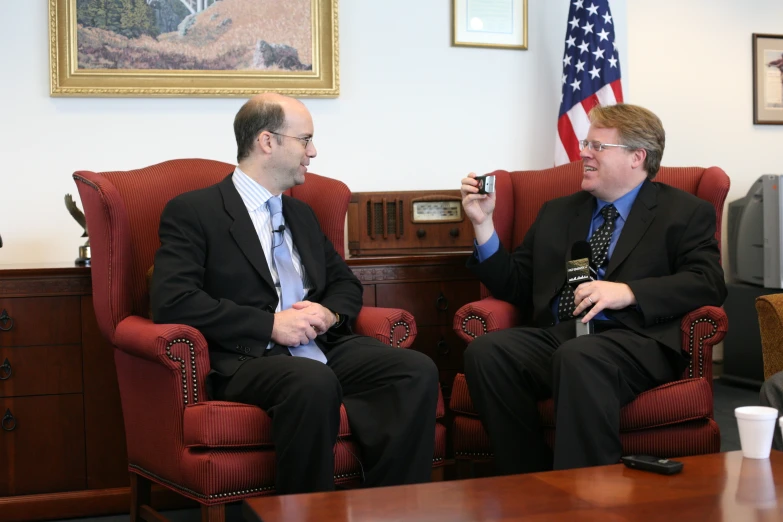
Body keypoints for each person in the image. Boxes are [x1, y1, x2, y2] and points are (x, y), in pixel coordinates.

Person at [150, 93, 439, 494]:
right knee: (310, 381)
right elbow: (172, 300)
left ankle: (391, 510)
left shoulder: (300, 213)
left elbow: (345, 284)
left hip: (322, 345)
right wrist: (270, 325)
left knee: (414, 370)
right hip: (249, 357)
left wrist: (328, 314)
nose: (313, 151)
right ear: (267, 142)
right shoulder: (194, 211)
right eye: (305, 140)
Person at [460, 103, 727, 474]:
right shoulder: (557, 212)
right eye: (586, 143)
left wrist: (628, 292)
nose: (583, 153)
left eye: (597, 146)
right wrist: (483, 224)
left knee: (580, 355)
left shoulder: (683, 212)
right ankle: (525, 479)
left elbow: (709, 282)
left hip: (635, 340)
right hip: (562, 335)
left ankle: (587, 492)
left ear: (637, 156)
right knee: (488, 352)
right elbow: (518, 286)